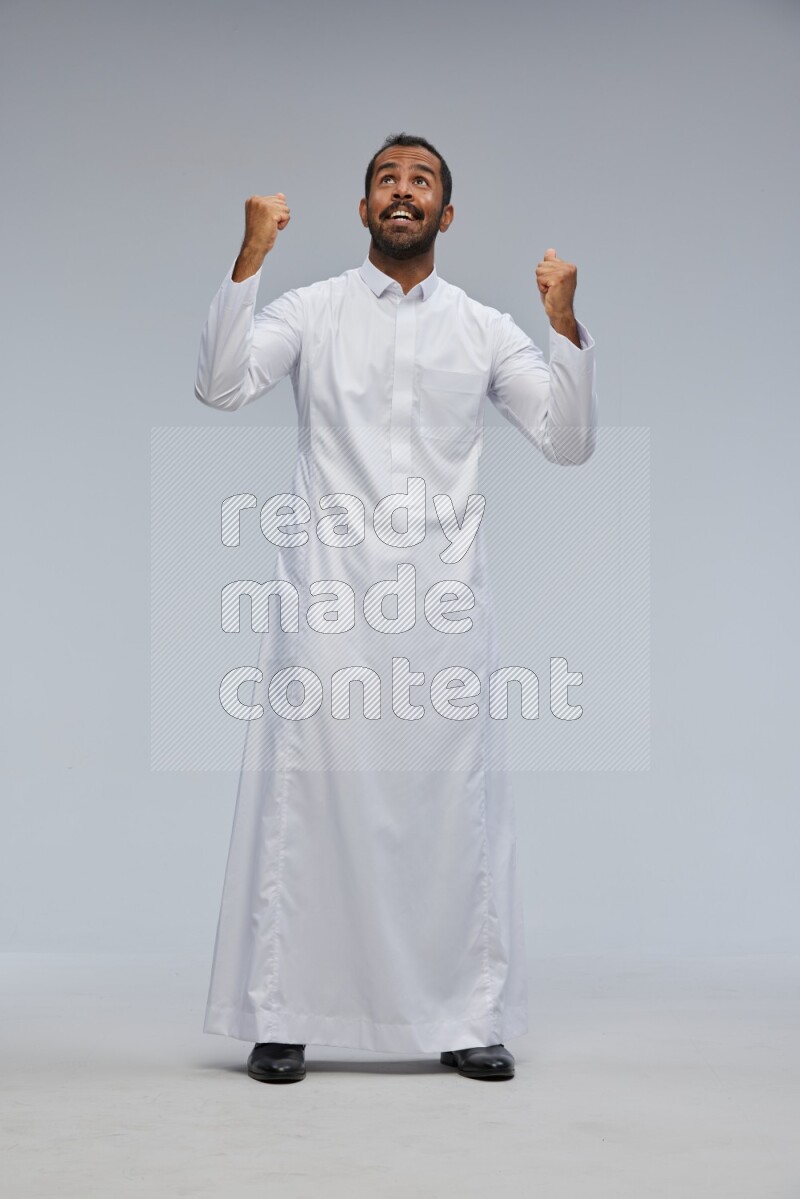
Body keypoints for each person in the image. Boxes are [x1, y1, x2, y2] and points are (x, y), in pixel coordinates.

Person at [195, 133, 597, 1084]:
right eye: (387, 180)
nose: (403, 192)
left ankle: (466, 1017)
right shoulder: (315, 310)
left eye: (421, 182)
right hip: (329, 602)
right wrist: (249, 260)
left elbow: (568, 442)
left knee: (452, 814)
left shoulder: (484, 327)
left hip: (444, 613)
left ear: (445, 215)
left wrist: (566, 327)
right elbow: (220, 385)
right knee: (310, 800)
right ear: (365, 208)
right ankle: (285, 1012)